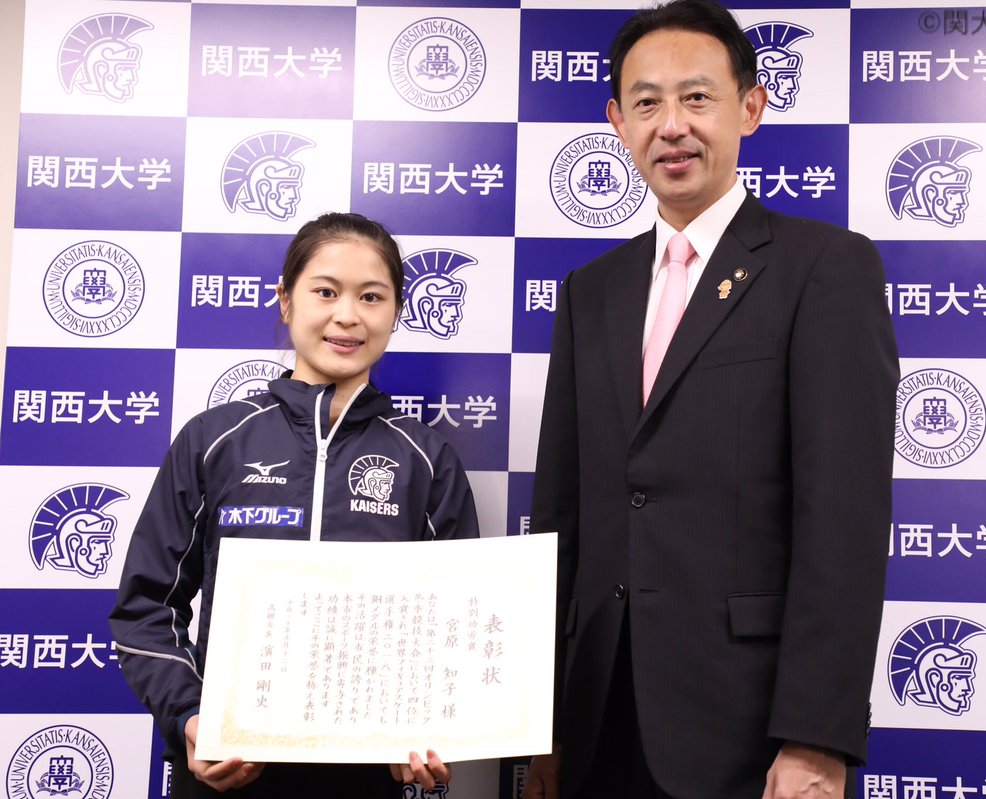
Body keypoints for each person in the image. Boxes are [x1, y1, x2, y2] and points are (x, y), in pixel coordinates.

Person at [524, 2, 899, 798]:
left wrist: (816, 735)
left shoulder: (823, 267)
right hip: (596, 717)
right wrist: (540, 719)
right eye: (647, 102)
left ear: (750, 108)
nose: (672, 126)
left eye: (697, 97)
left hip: (746, 724)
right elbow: (563, 517)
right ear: (617, 121)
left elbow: (844, 521)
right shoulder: (591, 291)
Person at [110, 212, 478, 797]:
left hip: (365, 778)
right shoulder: (213, 440)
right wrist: (191, 718)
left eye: (372, 296)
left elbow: (458, 620)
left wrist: (434, 728)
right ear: (286, 301)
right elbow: (145, 607)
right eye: (325, 292)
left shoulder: (426, 460)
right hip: (228, 770)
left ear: (396, 313)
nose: (348, 315)